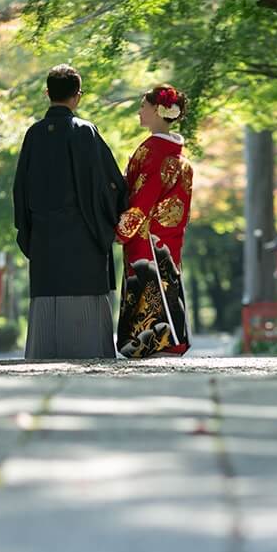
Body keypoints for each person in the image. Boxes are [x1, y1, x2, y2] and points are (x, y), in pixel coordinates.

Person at [13, 64, 126, 359]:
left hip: (45, 238)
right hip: (84, 238)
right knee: (86, 303)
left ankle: (44, 353)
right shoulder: (85, 132)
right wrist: (114, 219)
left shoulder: (34, 134)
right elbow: (109, 183)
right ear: (78, 95)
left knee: (47, 303)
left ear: (47, 93)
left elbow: (20, 189)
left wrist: (28, 233)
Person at [115, 84, 193, 358]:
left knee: (149, 282)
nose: (139, 111)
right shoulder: (174, 151)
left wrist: (123, 229)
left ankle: (150, 342)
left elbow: (143, 196)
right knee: (164, 281)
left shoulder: (155, 150)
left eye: (143, 106)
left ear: (159, 112)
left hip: (146, 233)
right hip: (166, 233)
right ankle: (171, 340)